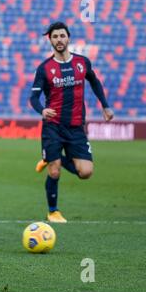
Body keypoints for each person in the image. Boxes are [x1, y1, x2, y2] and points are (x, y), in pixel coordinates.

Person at [29, 22, 114, 223]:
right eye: (55, 36)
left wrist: (105, 105)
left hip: (76, 127)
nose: (59, 39)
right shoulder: (44, 68)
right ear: (50, 40)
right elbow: (33, 98)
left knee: (86, 172)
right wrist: (42, 109)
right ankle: (53, 211)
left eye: (62, 36)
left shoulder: (82, 62)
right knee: (55, 170)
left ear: (68, 38)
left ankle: (50, 158)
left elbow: (94, 81)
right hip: (53, 126)